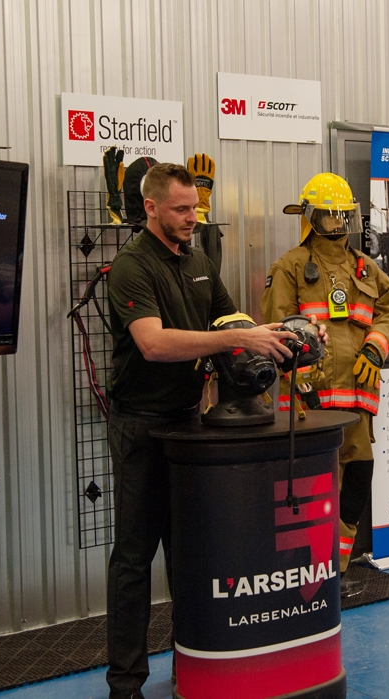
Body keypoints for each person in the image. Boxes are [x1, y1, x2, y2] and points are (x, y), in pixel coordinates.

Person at [105, 162, 297, 699]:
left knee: (189, 554)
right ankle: (125, 685)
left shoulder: (199, 261)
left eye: (195, 208)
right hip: (142, 427)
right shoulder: (131, 267)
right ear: (151, 208)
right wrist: (236, 340)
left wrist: (280, 335)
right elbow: (153, 343)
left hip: (190, 424)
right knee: (134, 558)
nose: (194, 217)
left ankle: (190, 666)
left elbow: (232, 323)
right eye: (182, 209)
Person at [260, 172, 389, 595]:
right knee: (313, 490)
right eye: (329, 215)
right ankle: (308, 577)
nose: (339, 223)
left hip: (356, 401)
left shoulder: (366, 268)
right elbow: (277, 329)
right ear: (310, 217)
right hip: (310, 406)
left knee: (357, 480)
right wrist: (302, 380)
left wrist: (375, 349)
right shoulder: (289, 267)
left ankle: (334, 570)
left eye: (344, 215)